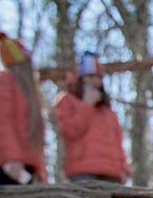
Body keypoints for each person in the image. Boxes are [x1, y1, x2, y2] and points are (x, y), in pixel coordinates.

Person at [0, 31, 47, 185]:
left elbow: (34, 136)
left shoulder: (26, 91)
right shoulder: (1, 82)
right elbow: (0, 123)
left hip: (28, 166)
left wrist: (40, 170)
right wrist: (12, 159)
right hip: (11, 166)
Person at [53, 51, 130, 184]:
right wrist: (87, 106)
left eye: (99, 77)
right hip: (83, 172)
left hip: (112, 173)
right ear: (81, 78)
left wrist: (124, 168)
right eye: (91, 76)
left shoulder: (108, 111)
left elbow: (118, 142)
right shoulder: (66, 101)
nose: (95, 82)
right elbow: (70, 131)